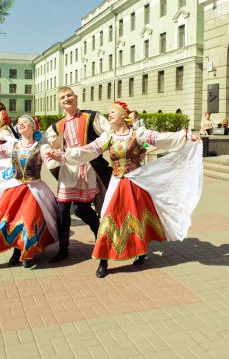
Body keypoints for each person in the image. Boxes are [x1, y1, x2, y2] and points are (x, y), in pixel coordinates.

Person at [57, 101, 203, 278]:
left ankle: (141, 252)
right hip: (117, 182)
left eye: (113, 112)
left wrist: (186, 136)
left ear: (123, 115)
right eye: (109, 113)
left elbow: (160, 138)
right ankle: (103, 260)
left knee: (137, 218)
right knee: (107, 217)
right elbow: (88, 150)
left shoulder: (138, 133)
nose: (109, 115)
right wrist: (64, 155)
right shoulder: (108, 136)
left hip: (136, 183)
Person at [0, 115, 59, 268]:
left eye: (25, 123)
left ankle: (28, 253)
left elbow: (51, 161)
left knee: (29, 220)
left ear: (33, 127)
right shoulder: (13, 145)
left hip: (34, 189)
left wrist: (56, 156)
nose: (21, 124)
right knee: (9, 220)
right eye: (19, 123)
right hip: (14, 189)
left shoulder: (42, 147)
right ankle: (16, 251)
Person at [45, 86, 113, 263]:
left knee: (83, 209)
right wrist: (50, 153)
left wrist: (93, 148)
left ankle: (101, 243)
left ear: (75, 97)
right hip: (68, 171)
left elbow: (109, 132)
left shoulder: (91, 117)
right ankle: (63, 248)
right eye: (62, 97)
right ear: (59, 102)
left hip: (89, 170)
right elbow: (44, 144)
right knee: (63, 209)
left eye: (69, 96)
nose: (66, 99)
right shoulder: (57, 125)